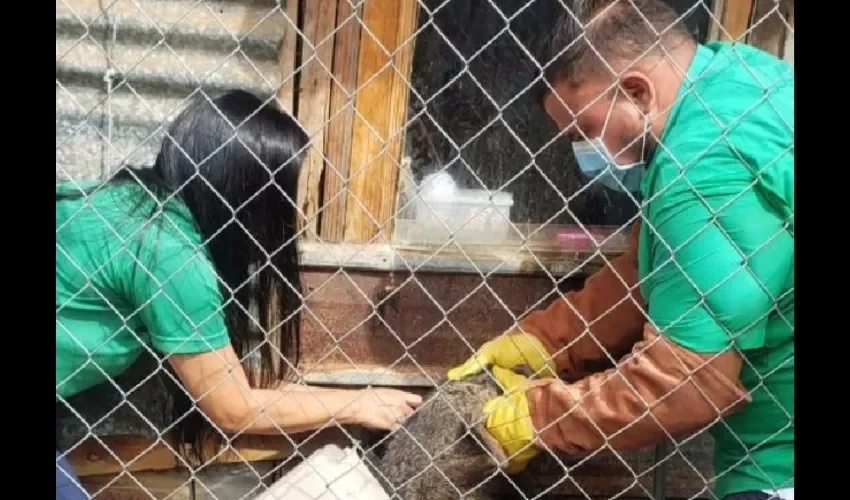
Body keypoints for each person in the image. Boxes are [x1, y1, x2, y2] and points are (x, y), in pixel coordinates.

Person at [447, 1, 794, 499]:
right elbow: (674, 267)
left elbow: (688, 381)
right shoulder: (740, 78)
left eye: (583, 131)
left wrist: (537, 416)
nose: (579, 153)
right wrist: (553, 341)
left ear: (635, 91)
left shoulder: (701, 173)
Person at [56, 90, 422, 499]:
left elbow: (229, 381)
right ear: (248, 198)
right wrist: (358, 405)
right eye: (285, 198)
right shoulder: (170, 256)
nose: (296, 215)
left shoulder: (126, 199)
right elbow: (233, 407)